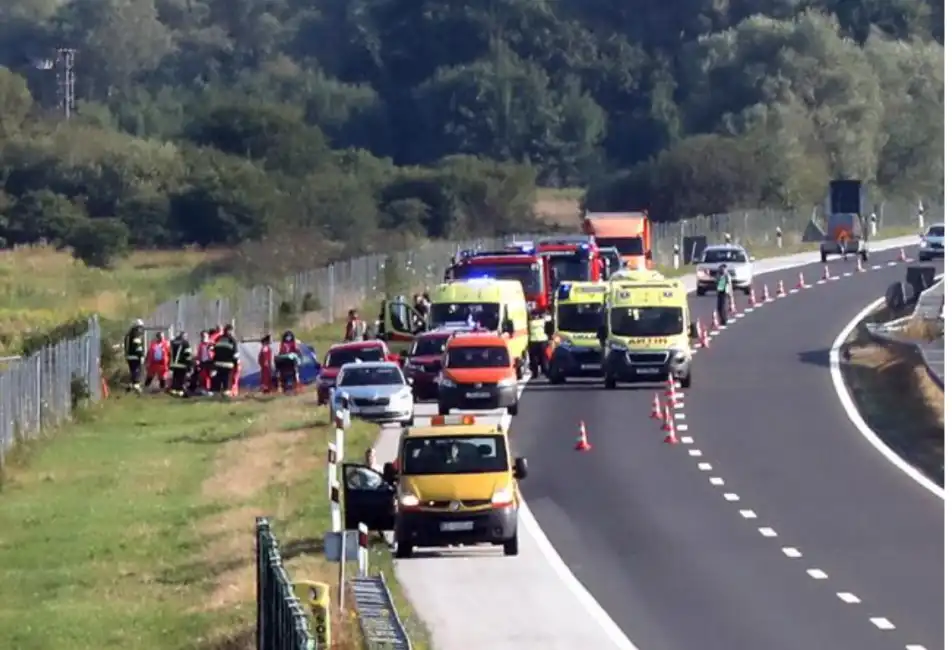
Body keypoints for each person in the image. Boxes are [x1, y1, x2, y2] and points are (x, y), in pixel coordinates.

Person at [211, 324, 239, 397]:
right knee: (226, 378)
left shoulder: (219, 338)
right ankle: (226, 392)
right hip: (228, 363)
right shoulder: (232, 340)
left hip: (218, 363)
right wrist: (236, 364)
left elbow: (214, 350)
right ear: (230, 331)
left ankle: (217, 392)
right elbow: (235, 354)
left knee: (219, 377)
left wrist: (214, 362)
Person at [123, 319, 146, 393]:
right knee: (137, 371)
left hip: (129, 356)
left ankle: (130, 384)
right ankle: (136, 385)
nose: (140, 329)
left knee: (133, 370)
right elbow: (138, 348)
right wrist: (141, 356)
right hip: (135, 357)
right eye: (140, 327)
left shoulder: (128, 335)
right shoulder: (136, 335)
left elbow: (126, 347)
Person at [168, 332, 192, 397]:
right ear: (184, 336)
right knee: (181, 380)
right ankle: (180, 393)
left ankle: (174, 391)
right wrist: (189, 367)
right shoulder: (186, 343)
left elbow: (169, 354)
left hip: (174, 365)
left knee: (175, 379)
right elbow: (188, 356)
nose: (187, 338)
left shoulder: (173, 343)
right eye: (186, 336)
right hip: (182, 365)